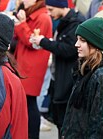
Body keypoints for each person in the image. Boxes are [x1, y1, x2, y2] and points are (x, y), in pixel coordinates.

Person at [29, 0, 85, 137]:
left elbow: (68, 50)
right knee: (59, 120)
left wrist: (43, 42)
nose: (49, 13)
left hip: (67, 79)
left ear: (61, 6)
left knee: (65, 123)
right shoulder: (66, 21)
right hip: (59, 77)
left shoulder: (75, 22)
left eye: (51, 9)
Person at [61, 17, 103, 138]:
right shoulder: (86, 69)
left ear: (95, 44)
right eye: (77, 39)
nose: (76, 44)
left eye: (82, 40)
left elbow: (101, 125)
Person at [13, 0, 52, 138]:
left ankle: (32, 135)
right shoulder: (32, 14)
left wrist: (22, 23)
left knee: (30, 103)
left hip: (31, 67)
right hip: (25, 64)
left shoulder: (42, 17)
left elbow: (32, 42)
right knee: (26, 103)